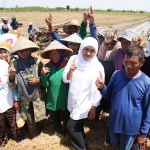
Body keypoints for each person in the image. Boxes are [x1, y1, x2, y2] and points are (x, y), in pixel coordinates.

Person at [96, 45, 150, 150]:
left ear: (142, 63)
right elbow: (109, 95)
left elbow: (148, 111)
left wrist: (143, 134)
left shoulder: (146, 82)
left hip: (131, 128)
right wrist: (102, 88)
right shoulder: (117, 75)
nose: (128, 65)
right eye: (126, 61)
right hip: (114, 123)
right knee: (115, 146)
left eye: (133, 63)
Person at [62, 37, 104, 149]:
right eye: (86, 49)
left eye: (92, 50)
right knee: (77, 123)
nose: (89, 53)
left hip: (86, 102)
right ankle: (82, 137)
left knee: (70, 126)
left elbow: (99, 90)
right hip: (73, 99)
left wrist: (94, 107)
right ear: (81, 48)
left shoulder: (98, 67)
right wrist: (71, 71)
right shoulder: (74, 59)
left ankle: (82, 147)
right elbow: (65, 79)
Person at [9, 36, 46, 138]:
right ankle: (34, 135)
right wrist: (12, 77)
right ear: (17, 52)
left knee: (41, 117)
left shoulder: (37, 62)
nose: (24, 52)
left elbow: (45, 80)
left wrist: (38, 80)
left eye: (26, 50)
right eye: (21, 51)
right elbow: (12, 86)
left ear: (30, 50)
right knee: (29, 119)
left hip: (37, 95)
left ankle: (41, 130)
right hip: (24, 97)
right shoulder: (14, 65)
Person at [40, 40, 73, 135]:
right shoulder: (46, 67)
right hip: (53, 98)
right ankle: (58, 130)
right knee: (55, 117)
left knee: (66, 116)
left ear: (61, 53)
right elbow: (45, 85)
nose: (53, 56)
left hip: (65, 98)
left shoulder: (67, 65)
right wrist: (43, 74)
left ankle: (67, 132)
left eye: (56, 53)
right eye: (51, 54)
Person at [0, 59, 20, 147]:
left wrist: (16, 99)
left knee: (13, 124)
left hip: (8, 102)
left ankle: (18, 138)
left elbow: (12, 81)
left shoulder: (4, 64)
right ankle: (2, 141)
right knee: (0, 127)